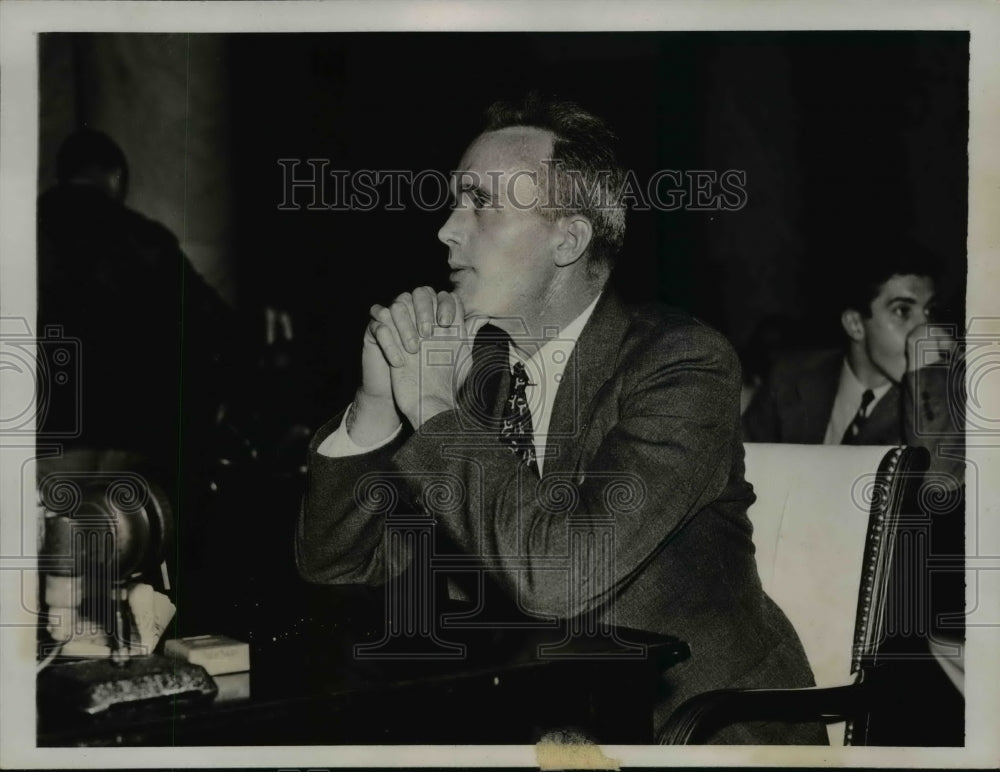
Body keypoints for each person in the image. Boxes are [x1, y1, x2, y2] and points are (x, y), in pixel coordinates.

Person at [296, 93, 825, 744]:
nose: (446, 230)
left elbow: (558, 578)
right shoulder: (480, 376)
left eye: (479, 204)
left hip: (693, 733)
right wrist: (377, 401)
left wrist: (432, 409)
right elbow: (337, 567)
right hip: (534, 727)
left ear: (568, 239)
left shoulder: (681, 363)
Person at [741, 245, 964, 485]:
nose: (925, 330)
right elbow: (739, 465)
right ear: (855, 325)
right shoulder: (792, 375)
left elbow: (941, 485)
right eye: (902, 311)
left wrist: (927, 374)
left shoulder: (939, 393)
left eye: (930, 311)